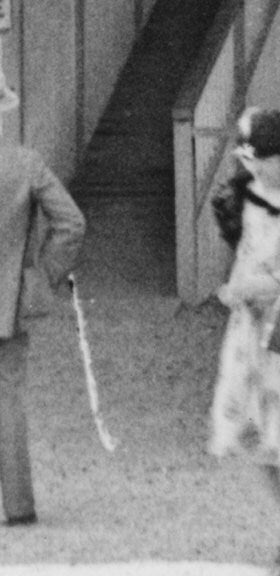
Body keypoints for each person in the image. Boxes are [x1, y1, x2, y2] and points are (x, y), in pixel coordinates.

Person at [208, 107, 280, 576]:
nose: (256, 169)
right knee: (245, 434)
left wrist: (266, 287)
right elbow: (246, 249)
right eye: (249, 160)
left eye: (262, 160)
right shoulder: (247, 192)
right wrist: (236, 288)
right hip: (246, 327)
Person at [0, 67, 86, 527]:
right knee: (8, 401)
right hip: (8, 303)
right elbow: (71, 224)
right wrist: (40, 276)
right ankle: (18, 506)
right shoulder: (25, 163)